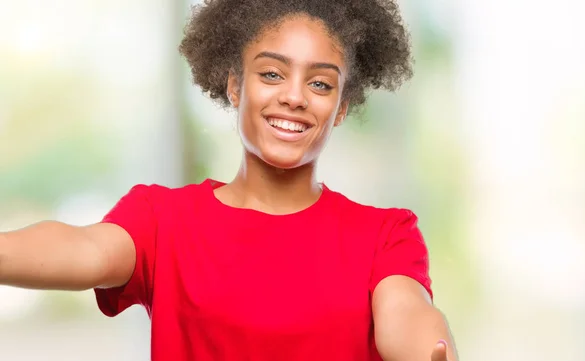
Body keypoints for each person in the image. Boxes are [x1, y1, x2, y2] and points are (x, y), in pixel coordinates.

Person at [0, 0, 459, 360]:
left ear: (340, 107)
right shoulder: (163, 220)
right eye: (272, 74)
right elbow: (83, 250)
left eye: (320, 83)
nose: (295, 97)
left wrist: (430, 353)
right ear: (235, 85)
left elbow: (407, 314)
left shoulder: (384, 234)